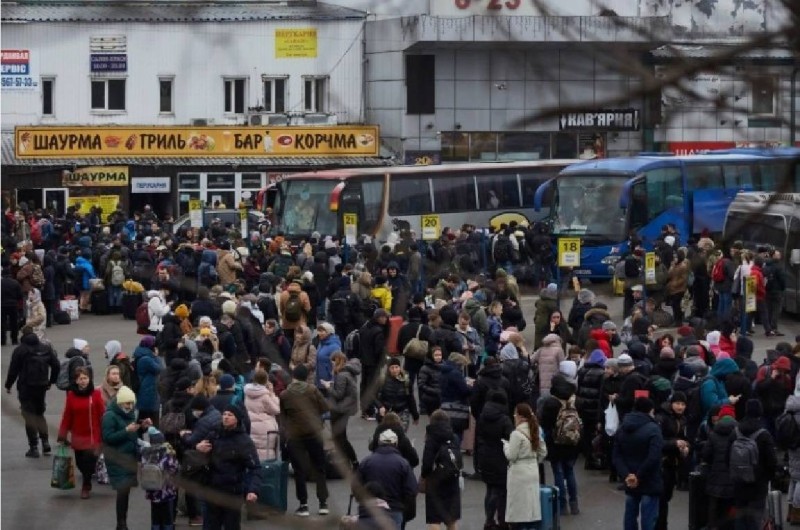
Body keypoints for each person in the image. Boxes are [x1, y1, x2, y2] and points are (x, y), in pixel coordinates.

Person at [198, 405, 261, 530]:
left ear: (237, 419)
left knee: (231, 525)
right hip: (212, 489)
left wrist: (252, 490)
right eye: (224, 414)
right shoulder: (214, 434)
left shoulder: (244, 441)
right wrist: (198, 448)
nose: (226, 417)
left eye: (230, 415)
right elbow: (199, 454)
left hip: (232, 492)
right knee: (210, 525)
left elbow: (255, 468)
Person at [280, 364, 330, 517]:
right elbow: (325, 407)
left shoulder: (285, 394)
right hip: (314, 433)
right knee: (319, 467)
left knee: (299, 470)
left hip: (295, 437)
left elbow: (282, 417)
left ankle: (303, 505)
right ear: (306, 376)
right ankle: (323, 503)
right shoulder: (312, 390)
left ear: (294, 376)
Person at [4, 325, 60, 457]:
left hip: (26, 386)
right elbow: (56, 365)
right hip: (41, 385)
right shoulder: (46, 348)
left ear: (22, 335)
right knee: (40, 413)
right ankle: (45, 442)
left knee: (29, 415)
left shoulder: (20, 350)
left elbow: (13, 369)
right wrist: (51, 381)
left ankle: (33, 447)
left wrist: (8, 385)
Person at [103, 386, 153, 530]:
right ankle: (121, 524)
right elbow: (108, 438)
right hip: (117, 458)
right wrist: (126, 431)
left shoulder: (130, 414)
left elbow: (133, 433)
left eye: (132, 403)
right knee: (123, 490)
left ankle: (122, 523)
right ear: (120, 403)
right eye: (127, 403)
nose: (130, 406)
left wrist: (142, 426)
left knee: (125, 491)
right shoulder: (109, 416)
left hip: (129, 457)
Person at [613, 397, 664, 530]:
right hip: (649, 479)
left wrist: (627, 475)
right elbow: (654, 456)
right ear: (650, 410)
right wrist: (639, 475)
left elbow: (617, 455)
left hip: (630, 479)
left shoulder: (622, 428)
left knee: (630, 514)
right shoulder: (654, 428)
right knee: (648, 518)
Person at [57, 366, 106, 499]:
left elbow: (103, 414)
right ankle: (86, 478)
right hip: (78, 435)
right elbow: (67, 416)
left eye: (85, 378)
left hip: (93, 436)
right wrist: (62, 433)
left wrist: (106, 431)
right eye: (80, 379)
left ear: (89, 379)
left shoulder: (95, 394)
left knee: (90, 463)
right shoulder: (71, 396)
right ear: (76, 381)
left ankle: (86, 485)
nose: (83, 381)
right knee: (80, 463)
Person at [356, 429, 419, 530]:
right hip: (395, 509)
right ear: (396, 443)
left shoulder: (366, 462)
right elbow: (411, 490)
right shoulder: (403, 463)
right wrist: (407, 510)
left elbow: (356, 485)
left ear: (379, 443)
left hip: (370, 509)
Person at [504, 402, 547, 530]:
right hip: (533, 470)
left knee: (519, 509)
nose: (514, 416)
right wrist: (534, 460)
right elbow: (543, 452)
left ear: (520, 416)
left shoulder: (516, 434)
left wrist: (505, 446)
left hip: (519, 473)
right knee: (531, 507)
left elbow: (511, 456)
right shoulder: (535, 430)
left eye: (515, 414)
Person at [476, 390, 514, 529]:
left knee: (489, 489)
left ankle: (489, 519)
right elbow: (511, 439)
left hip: (485, 456)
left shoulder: (482, 416)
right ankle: (502, 520)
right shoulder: (504, 419)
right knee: (501, 491)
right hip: (500, 457)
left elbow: (478, 437)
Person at [654, 392, 690, 530]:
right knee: (662, 500)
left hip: (673, 464)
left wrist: (686, 447)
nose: (680, 407)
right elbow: (657, 442)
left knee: (666, 497)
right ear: (671, 403)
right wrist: (675, 443)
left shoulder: (683, 419)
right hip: (661, 464)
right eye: (677, 403)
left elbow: (685, 439)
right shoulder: (662, 418)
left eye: (683, 404)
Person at [421, 410, 462, 530]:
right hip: (452, 479)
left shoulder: (431, 437)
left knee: (435, 519)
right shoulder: (453, 436)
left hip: (435, 482)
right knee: (451, 519)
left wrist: (425, 476)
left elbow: (427, 462)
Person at [701, 404, 738, 530]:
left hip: (715, 477)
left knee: (713, 506)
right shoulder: (739, 434)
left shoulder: (713, 434)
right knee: (730, 507)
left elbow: (706, 455)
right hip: (733, 478)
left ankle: (712, 526)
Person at [322, 353, 361, 470]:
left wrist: (328, 386)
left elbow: (338, 394)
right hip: (345, 409)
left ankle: (351, 461)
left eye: (332, 362)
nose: (331, 365)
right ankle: (351, 461)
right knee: (341, 437)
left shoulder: (341, 375)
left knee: (340, 438)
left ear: (337, 361)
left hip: (339, 409)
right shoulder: (349, 372)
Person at [140, 427, 179, 530]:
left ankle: (155, 527)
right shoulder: (167, 453)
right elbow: (174, 468)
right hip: (166, 490)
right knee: (167, 515)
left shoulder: (146, 453)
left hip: (152, 490)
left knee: (155, 513)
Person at [243, 369, 280, 461]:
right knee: (265, 452)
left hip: (251, 425)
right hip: (264, 427)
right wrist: (272, 394)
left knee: (254, 450)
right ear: (266, 380)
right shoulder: (265, 396)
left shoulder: (247, 393)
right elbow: (276, 410)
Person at [359, 308, 389, 420]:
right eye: (384, 317)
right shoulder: (378, 331)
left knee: (364, 384)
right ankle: (370, 409)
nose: (386, 319)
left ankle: (364, 409)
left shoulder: (364, 327)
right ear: (379, 318)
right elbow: (379, 350)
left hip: (364, 360)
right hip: (373, 363)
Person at [376, 358, 420, 431]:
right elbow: (373, 396)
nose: (395, 370)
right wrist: (380, 406)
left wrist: (415, 415)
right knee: (387, 437)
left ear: (400, 368)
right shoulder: (382, 380)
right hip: (387, 413)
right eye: (392, 368)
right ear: (388, 369)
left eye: (396, 367)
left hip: (402, 412)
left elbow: (410, 398)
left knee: (401, 435)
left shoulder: (406, 381)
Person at [133, 335, 164, 426]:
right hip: (148, 393)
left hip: (147, 391)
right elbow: (160, 368)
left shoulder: (142, 356)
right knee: (149, 420)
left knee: (144, 418)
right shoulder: (146, 359)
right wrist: (157, 357)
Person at [1, 266, 24, 346]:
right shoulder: (15, 283)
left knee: (2, 323)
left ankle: (2, 340)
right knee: (14, 323)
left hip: (2, 305)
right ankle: (14, 339)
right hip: (13, 304)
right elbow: (20, 295)